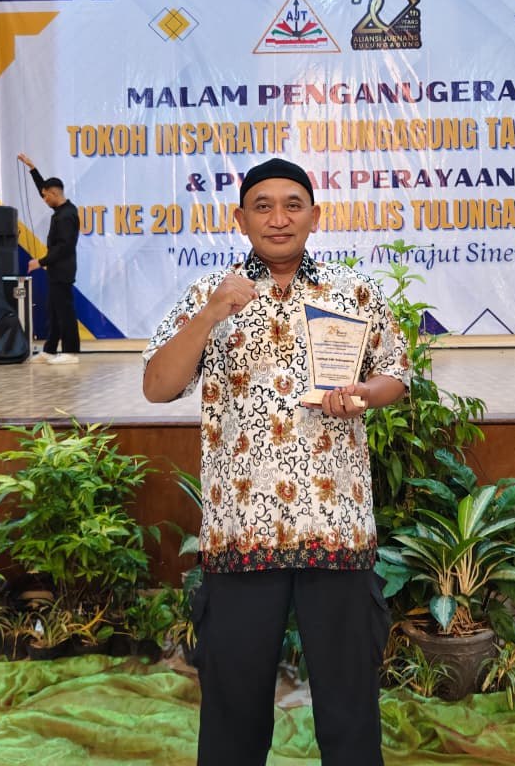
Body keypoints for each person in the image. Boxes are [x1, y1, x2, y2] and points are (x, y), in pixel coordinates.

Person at [143, 158, 409, 766]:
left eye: (293, 204)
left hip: (335, 526)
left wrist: (364, 395)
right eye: (262, 206)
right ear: (240, 219)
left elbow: (395, 373)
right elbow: (157, 386)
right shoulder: (208, 296)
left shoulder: (354, 292)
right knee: (234, 709)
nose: (278, 218)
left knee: (349, 708)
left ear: (314, 217)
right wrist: (213, 313)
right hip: (242, 532)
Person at [17, 153, 80, 364]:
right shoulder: (59, 209)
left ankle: (71, 352)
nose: (43, 200)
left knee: (65, 312)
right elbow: (43, 187)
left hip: (62, 269)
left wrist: (40, 261)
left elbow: (64, 246)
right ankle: (50, 350)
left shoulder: (67, 215)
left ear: (54, 193)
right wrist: (33, 168)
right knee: (53, 311)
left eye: (45, 196)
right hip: (56, 270)